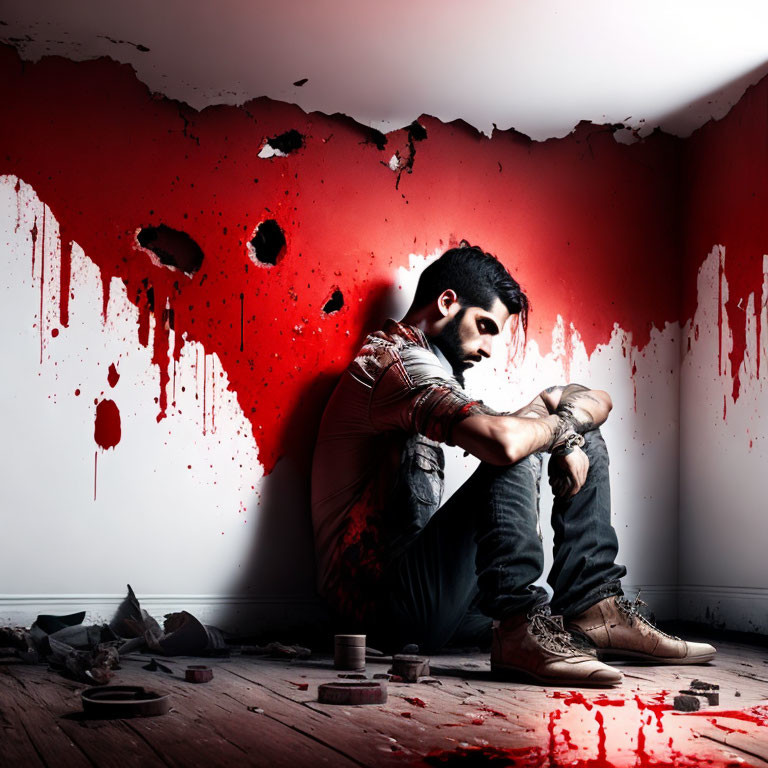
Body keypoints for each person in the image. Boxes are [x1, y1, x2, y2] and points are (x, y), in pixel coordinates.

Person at [311, 243, 715, 686]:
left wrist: (563, 425)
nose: (487, 350)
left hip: (434, 606)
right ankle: (519, 625)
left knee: (567, 428)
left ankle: (596, 607)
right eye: (484, 327)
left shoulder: (421, 370)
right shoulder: (395, 364)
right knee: (521, 443)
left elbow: (595, 400)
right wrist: (558, 431)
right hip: (377, 612)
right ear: (447, 303)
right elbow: (504, 443)